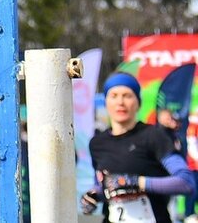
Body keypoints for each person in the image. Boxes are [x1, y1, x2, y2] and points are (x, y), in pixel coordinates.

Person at [83, 72, 196, 222]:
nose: (120, 102)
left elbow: (186, 182)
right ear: (106, 102)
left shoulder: (154, 136)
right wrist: (93, 196)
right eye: (114, 96)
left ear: (138, 102)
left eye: (127, 96)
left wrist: (137, 182)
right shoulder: (97, 143)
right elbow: (103, 185)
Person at [157, 106, 198, 223]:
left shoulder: (173, 134)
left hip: (174, 173)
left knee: (174, 199)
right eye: (169, 118)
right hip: (163, 174)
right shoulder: (158, 135)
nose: (173, 122)